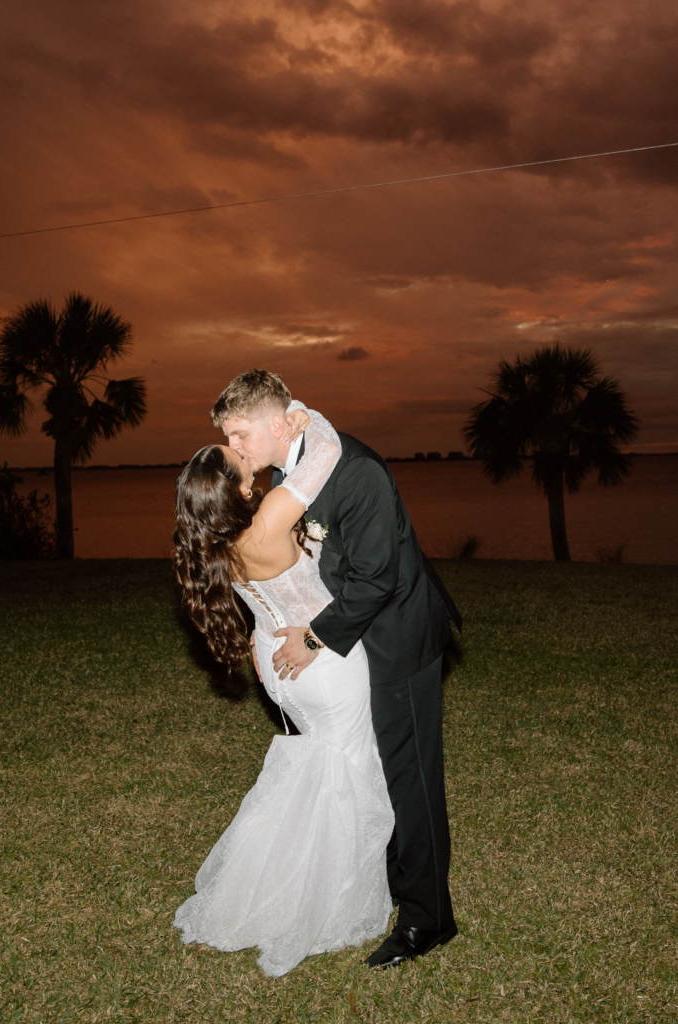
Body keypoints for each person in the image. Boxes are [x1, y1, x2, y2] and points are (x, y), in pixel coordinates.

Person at [213, 369, 462, 970]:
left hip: (397, 637)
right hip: (355, 643)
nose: (236, 448)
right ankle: (377, 875)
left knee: (411, 778)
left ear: (279, 423)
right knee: (372, 767)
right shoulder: (301, 467)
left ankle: (427, 920)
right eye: (228, 436)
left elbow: (376, 578)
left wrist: (315, 636)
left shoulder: (358, 473)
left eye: (241, 433)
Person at [172, 397, 395, 977]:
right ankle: (336, 898)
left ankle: (277, 880)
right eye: (236, 454)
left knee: (314, 770)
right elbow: (325, 451)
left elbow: (260, 600)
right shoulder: (268, 517)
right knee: (350, 771)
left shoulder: (213, 542)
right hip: (322, 664)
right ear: (238, 487)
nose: (245, 451)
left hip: (276, 664)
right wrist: (296, 411)